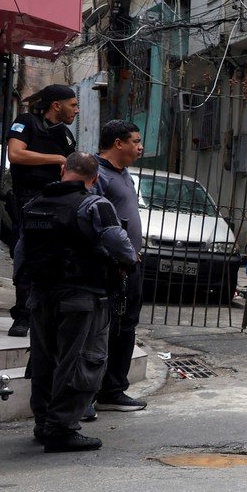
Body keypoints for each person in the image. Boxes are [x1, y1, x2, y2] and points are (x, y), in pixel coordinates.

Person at [19, 152, 137, 452]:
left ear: (63, 171)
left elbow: (20, 252)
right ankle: (61, 429)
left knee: (45, 362)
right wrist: (128, 261)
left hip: (41, 295)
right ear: (95, 178)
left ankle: (44, 423)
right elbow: (120, 244)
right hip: (81, 297)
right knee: (80, 360)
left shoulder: (34, 205)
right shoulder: (94, 205)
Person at [5, 85, 80, 337]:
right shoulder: (26, 122)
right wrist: (57, 159)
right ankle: (23, 316)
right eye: (73, 104)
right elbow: (15, 154)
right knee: (26, 254)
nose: (76, 110)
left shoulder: (66, 136)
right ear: (56, 105)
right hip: (28, 200)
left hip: (56, 203)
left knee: (56, 257)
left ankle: (47, 312)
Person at [94, 120, 148, 413]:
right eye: (135, 141)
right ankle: (100, 389)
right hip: (111, 267)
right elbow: (98, 222)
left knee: (126, 326)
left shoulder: (124, 174)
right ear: (118, 143)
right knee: (107, 327)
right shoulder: (97, 174)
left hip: (130, 264)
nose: (140, 147)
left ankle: (113, 389)